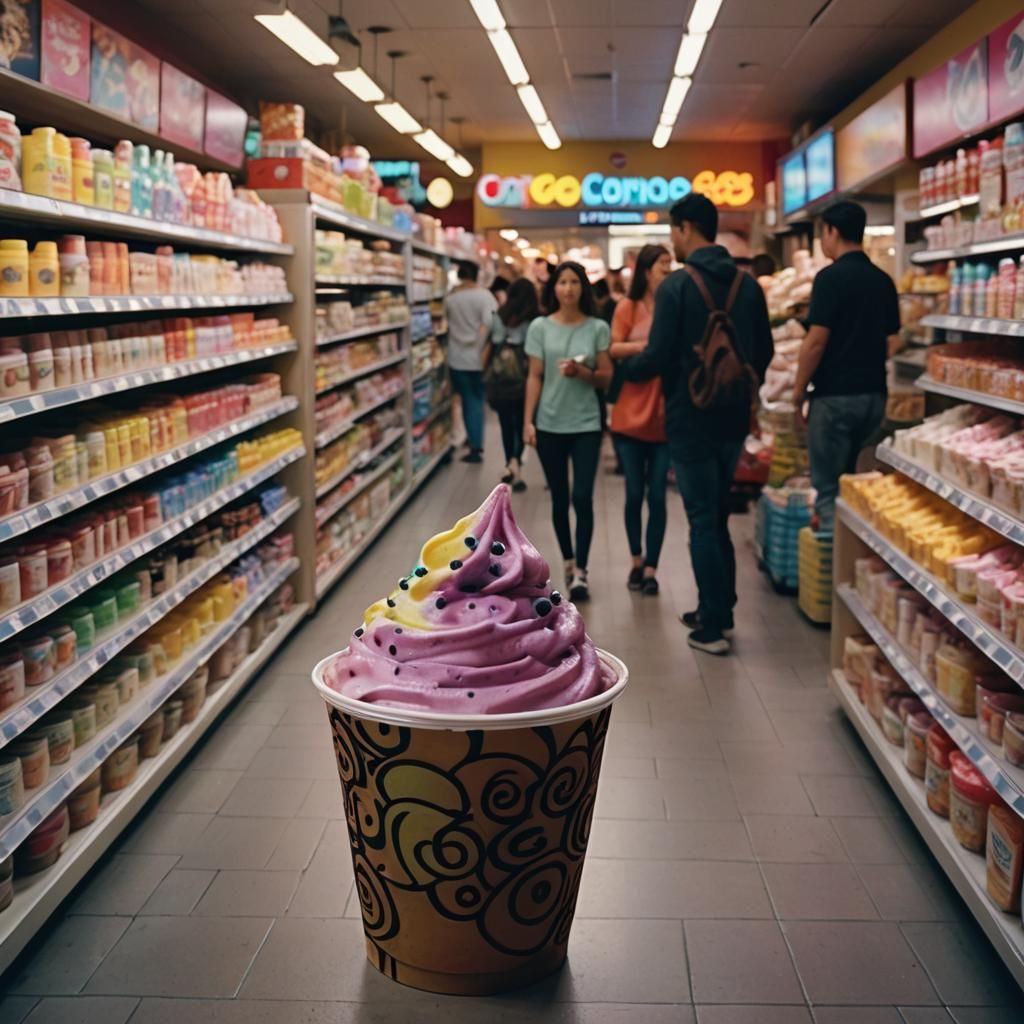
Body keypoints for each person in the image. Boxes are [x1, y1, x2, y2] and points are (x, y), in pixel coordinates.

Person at [621, 194, 773, 656]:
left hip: (689, 417)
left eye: (674, 230)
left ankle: (712, 630)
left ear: (686, 228)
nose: (673, 240)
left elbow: (657, 356)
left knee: (702, 517)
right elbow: (764, 351)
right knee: (718, 511)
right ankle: (717, 609)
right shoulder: (749, 286)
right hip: (733, 416)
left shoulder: (677, 287)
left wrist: (617, 369)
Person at [794, 200, 899, 533]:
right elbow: (893, 341)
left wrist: (798, 392)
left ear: (832, 231)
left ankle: (831, 560)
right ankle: (857, 559)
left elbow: (815, 342)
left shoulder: (829, 279)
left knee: (829, 490)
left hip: (834, 398)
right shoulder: (883, 280)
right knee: (862, 487)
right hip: (874, 397)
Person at [524, 261, 613, 601]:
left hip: (586, 423)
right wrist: (527, 421)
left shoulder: (597, 328)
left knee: (583, 497)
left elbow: (606, 377)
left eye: (574, 282)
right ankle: (568, 560)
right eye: (562, 282)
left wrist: (583, 372)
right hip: (549, 423)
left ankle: (582, 571)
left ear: (583, 287)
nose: (568, 288)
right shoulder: (540, 327)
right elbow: (535, 376)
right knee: (560, 498)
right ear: (554, 288)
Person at [608, 244, 673, 596]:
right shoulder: (627, 307)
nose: (668, 269)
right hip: (629, 414)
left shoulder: (673, 304)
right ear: (647, 270)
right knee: (634, 492)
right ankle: (636, 559)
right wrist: (650, 348)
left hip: (664, 414)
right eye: (663, 264)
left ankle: (652, 568)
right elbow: (613, 348)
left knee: (658, 495)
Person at [482, 277, 538, 492]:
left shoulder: (499, 316)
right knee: (522, 422)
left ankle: (510, 462)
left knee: (506, 424)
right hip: (525, 379)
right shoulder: (534, 320)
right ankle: (516, 461)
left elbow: (494, 343)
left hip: (501, 379)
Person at [446, 261, 497, 463]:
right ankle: (476, 445)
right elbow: (491, 323)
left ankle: (470, 438)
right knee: (476, 400)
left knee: (465, 399)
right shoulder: (484, 296)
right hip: (478, 358)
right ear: (476, 275)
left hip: (456, 357)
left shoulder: (451, 299)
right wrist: (481, 344)